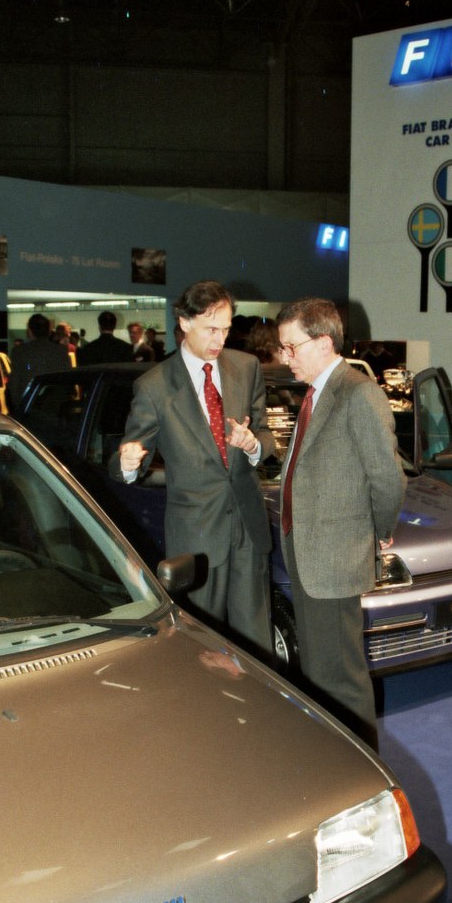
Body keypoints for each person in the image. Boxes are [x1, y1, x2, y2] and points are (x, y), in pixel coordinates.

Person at [114, 280, 275, 655]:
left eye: (226, 329)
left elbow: (265, 432)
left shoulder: (246, 367)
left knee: (258, 646)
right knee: (202, 645)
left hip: (248, 528)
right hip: (196, 535)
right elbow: (131, 451)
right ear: (185, 322)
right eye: (211, 329)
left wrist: (254, 445)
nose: (220, 339)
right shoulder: (154, 386)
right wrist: (128, 462)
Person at [275, 297, 405, 747]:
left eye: (291, 347)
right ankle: (331, 756)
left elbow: (387, 478)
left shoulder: (358, 393)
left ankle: (363, 768)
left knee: (343, 678)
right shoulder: (316, 393)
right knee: (318, 670)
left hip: (335, 556)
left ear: (324, 342)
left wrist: (379, 531)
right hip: (307, 552)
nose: (285, 357)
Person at [8, 312, 71, 409]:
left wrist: (17, 407)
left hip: (28, 406)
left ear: (30, 331)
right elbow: (68, 383)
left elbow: (15, 384)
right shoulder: (61, 352)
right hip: (55, 407)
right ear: (49, 331)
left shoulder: (20, 352)